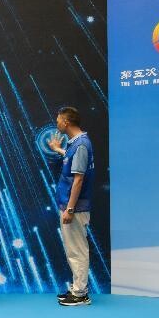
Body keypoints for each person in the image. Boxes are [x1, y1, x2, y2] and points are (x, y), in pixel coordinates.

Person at [47, 106, 94, 307]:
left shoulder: (81, 144)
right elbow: (71, 158)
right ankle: (77, 288)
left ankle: (80, 294)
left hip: (75, 208)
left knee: (77, 251)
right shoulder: (76, 144)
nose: (57, 123)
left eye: (58, 120)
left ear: (66, 122)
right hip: (69, 205)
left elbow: (78, 180)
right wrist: (58, 149)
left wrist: (70, 209)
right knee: (73, 250)